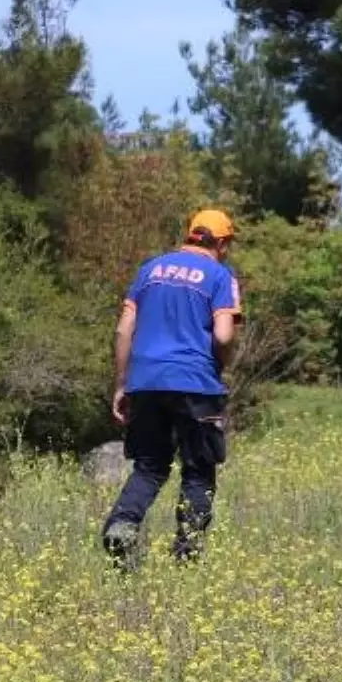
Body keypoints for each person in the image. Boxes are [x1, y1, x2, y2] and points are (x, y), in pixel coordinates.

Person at [101, 209, 243, 569]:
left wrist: (122, 384)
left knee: (149, 466)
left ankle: (123, 523)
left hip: (145, 381)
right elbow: (224, 334)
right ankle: (186, 557)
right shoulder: (220, 275)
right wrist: (221, 362)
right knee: (198, 469)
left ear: (191, 234)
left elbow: (122, 331)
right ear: (222, 243)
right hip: (195, 381)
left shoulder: (150, 270)